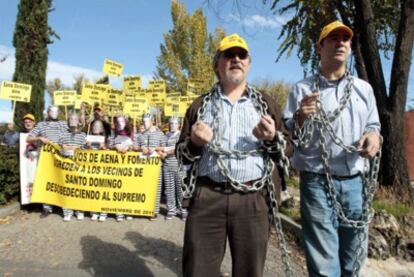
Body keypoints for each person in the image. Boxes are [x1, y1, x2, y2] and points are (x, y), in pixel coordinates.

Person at [176, 33, 293, 277]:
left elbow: (287, 151)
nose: (236, 59)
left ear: (249, 64)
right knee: (198, 270)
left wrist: (272, 138)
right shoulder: (200, 106)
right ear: (217, 64)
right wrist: (195, 143)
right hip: (208, 196)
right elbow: (181, 155)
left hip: (253, 199)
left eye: (242, 55)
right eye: (229, 54)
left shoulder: (265, 103)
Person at [282, 21, 381, 277]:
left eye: (345, 39)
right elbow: (289, 137)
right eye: (333, 38)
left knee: (354, 261)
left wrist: (373, 137)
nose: (340, 43)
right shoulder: (302, 90)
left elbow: (373, 125)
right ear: (320, 47)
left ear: (349, 47)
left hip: (355, 184)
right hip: (316, 182)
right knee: (325, 265)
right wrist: (301, 117)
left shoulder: (364, 90)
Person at [27, 105, 68, 218]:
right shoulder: (41, 124)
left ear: (59, 112)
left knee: (61, 180)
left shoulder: (63, 124)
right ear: (48, 112)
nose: (54, 112)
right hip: (46, 159)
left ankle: (62, 205)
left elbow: (74, 132)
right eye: (52, 110)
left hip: (61, 157)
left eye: (56, 110)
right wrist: (39, 138)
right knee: (46, 182)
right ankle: (47, 208)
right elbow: (28, 138)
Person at [135, 113, 166, 221]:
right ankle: (144, 209)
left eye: (146, 121)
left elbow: (164, 148)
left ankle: (154, 211)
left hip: (156, 166)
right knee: (144, 188)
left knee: (156, 189)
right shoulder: (141, 134)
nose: (144, 123)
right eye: (143, 121)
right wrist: (140, 148)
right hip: (144, 166)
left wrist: (156, 149)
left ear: (152, 121)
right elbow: (134, 146)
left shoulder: (160, 134)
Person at [58, 112, 87, 222]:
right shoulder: (63, 134)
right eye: (71, 119)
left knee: (79, 190)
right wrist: (71, 147)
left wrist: (71, 147)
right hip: (66, 166)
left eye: (75, 119)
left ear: (79, 121)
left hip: (79, 167)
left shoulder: (83, 135)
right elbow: (60, 148)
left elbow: (84, 150)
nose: (73, 121)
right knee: (67, 190)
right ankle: (67, 212)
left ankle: (79, 211)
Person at [109, 115, 134, 222]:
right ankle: (119, 211)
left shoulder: (131, 132)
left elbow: (136, 145)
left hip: (128, 166)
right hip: (116, 166)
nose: (120, 123)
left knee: (128, 189)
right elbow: (108, 144)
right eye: (118, 121)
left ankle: (128, 211)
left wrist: (129, 147)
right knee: (118, 189)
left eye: (122, 121)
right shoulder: (113, 133)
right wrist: (115, 146)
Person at [162, 116, 187, 220]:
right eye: (171, 123)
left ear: (178, 124)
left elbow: (179, 149)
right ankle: (171, 209)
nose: (172, 125)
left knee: (180, 189)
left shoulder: (182, 136)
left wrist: (166, 152)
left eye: (174, 123)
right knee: (169, 189)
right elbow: (161, 148)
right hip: (167, 166)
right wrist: (164, 152)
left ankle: (183, 210)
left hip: (179, 166)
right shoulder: (166, 135)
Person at [86, 120, 108, 222]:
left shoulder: (106, 138)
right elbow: (81, 152)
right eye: (94, 125)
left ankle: (103, 212)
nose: (96, 127)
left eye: (98, 126)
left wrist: (104, 148)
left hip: (102, 167)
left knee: (103, 189)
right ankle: (93, 212)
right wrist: (88, 146)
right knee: (92, 190)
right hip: (90, 167)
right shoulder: (87, 137)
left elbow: (110, 151)